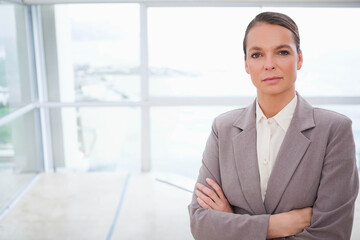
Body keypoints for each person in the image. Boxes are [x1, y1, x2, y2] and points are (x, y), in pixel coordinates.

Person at [188, 11, 359, 239]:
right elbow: (200, 224)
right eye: (257, 54)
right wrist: (275, 225)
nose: (269, 64)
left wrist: (234, 223)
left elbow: (331, 233)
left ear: (299, 59)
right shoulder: (223, 129)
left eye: (282, 52)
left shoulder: (334, 131)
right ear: (247, 65)